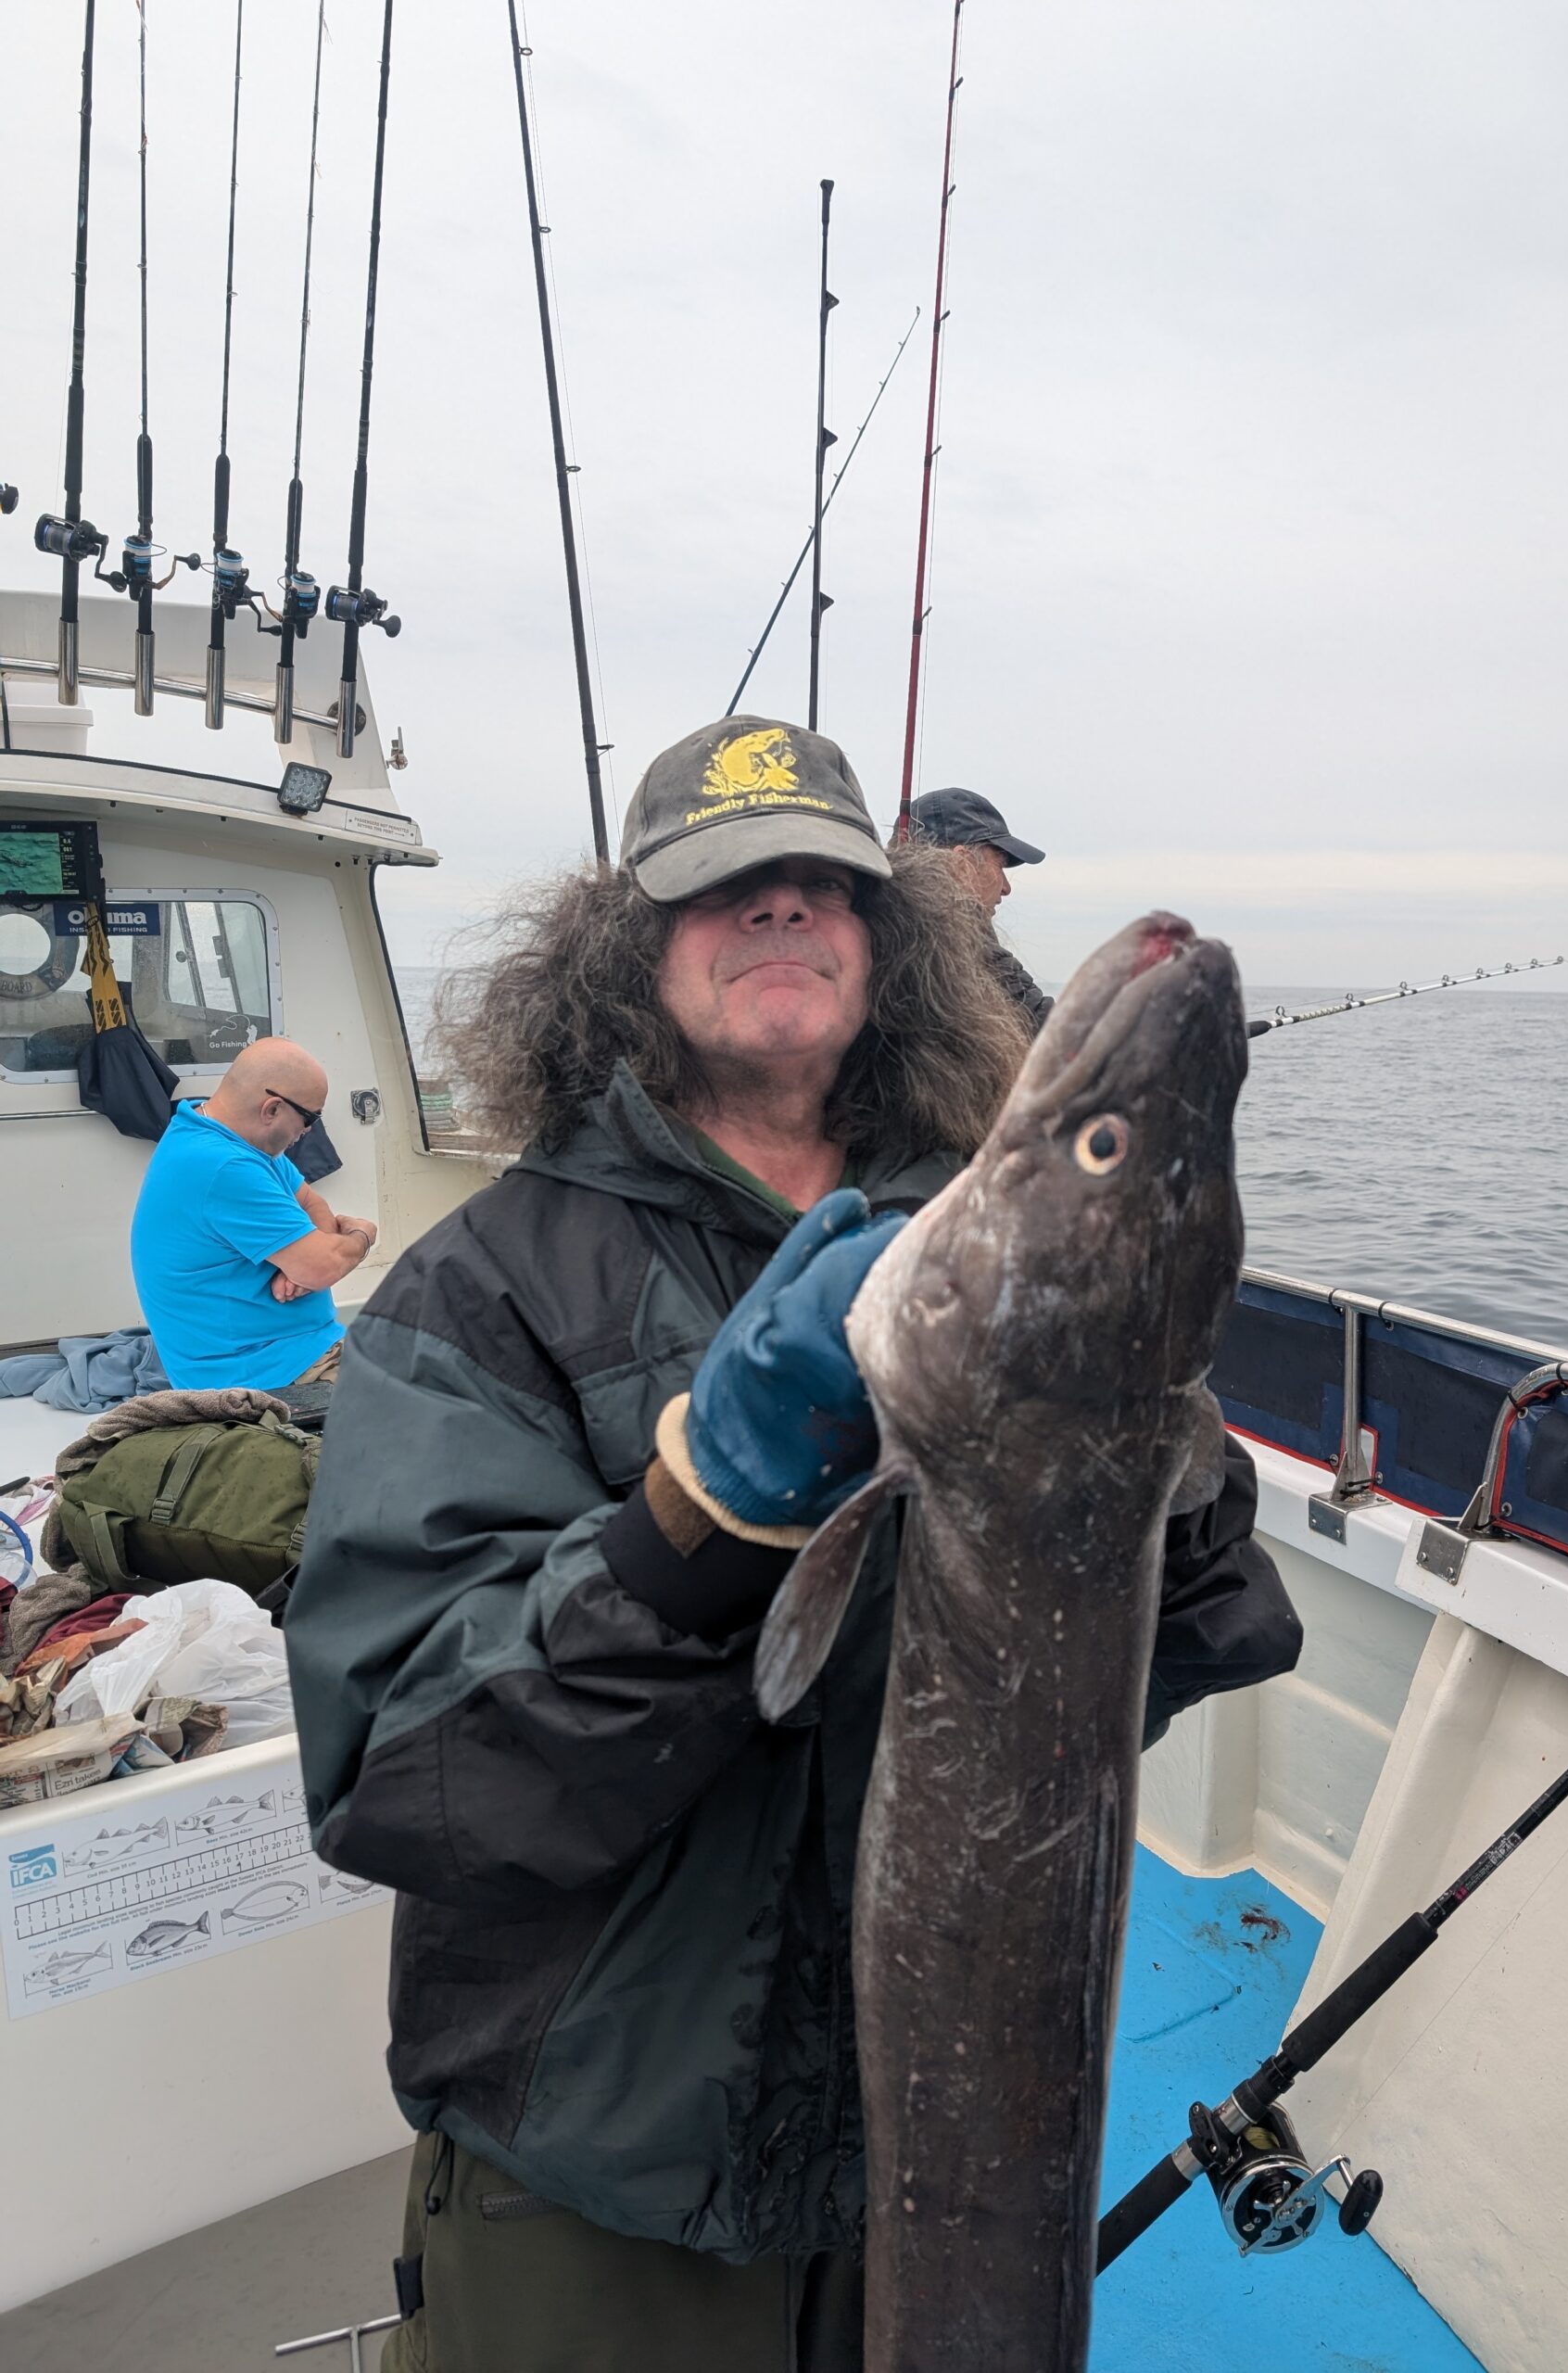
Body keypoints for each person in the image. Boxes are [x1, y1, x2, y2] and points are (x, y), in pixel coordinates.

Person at [284, 715, 1301, 2373]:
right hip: (609, 2175)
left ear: (887, 944)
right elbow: (414, 1775)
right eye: (722, 887)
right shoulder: (482, 1288)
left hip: (936, 2146)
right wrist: (705, 1508)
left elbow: (1188, 1643)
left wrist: (1143, 1441)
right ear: (624, 949)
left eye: (823, 887)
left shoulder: (990, 1234)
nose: (779, 909)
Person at [129, 1037, 378, 1391]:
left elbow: (313, 1204)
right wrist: (363, 1235)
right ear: (272, 1109)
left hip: (295, 1352)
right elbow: (324, 1267)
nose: (308, 1130)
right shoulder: (223, 1166)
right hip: (264, 1375)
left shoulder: (219, 1133)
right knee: (447, 1391)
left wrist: (306, 1270)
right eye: (310, 1117)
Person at [908, 785, 1053, 1028]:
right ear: (961, 865)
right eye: (1000, 866)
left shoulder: (878, 930)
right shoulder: (954, 943)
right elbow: (1043, 1029)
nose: (1006, 888)